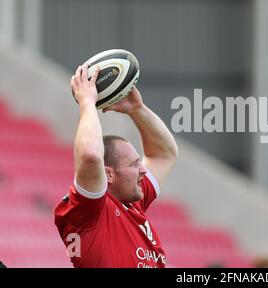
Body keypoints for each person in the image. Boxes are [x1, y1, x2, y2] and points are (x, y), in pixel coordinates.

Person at [54, 64, 178, 268]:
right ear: (108, 175)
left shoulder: (132, 203)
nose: (143, 170)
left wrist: (137, 110)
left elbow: (164, 154)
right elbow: (90, 156)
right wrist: (87, 103)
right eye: (134, 164)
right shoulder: (89, 211)